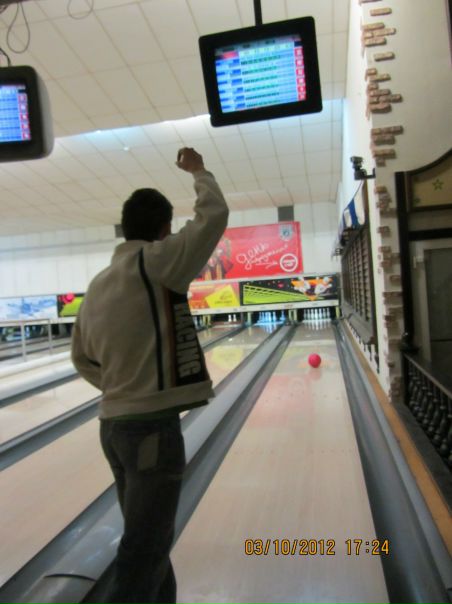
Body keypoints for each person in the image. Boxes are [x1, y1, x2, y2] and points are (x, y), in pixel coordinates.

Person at [71, 147, 229, 604]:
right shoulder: (158, 261)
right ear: (163, 230)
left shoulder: (99, 282)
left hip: (113, 428)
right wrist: (198, 171)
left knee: (150, 541)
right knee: (145, 549)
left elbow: (81, 358)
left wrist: (121, 390)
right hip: (150, 434)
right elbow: (213, 216)